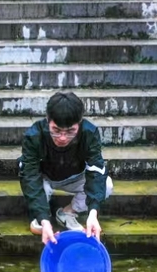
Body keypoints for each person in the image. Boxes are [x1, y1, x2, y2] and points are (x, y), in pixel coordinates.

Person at [18, 92, 113, 244]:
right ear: (48, 120)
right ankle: (41, 216)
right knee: (38, 187)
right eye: (56, 130)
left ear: (79, 123)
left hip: (75, 176)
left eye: (70, 131)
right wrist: (43, 219)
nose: (62, 138)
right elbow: (29, 176)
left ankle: (68, 212)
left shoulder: (89, 133)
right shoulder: (34, 135)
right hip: (45, 177)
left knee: (107, 185)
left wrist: (93, 213)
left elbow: (96, 170)